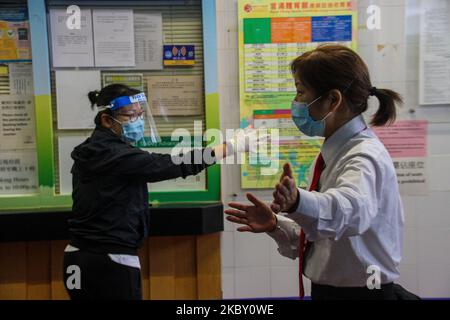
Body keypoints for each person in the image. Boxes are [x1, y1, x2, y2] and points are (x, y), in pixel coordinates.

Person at [225, 44, 406, 300]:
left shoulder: (364, 156)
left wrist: (298, 201)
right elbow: (327, 236)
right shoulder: (334, 153)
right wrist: (277, 225)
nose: (295, 102)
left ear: (333, 100)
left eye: (301, 92)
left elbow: (351, 211)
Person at [63, 83, 261, 300]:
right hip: (111, 260)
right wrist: (229, 147)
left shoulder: (89, 151)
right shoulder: (115, 155)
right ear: (107, 120)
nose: (138, 122)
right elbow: (173, 164)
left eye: (140, 115)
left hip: (76, 259)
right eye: (130, 116)